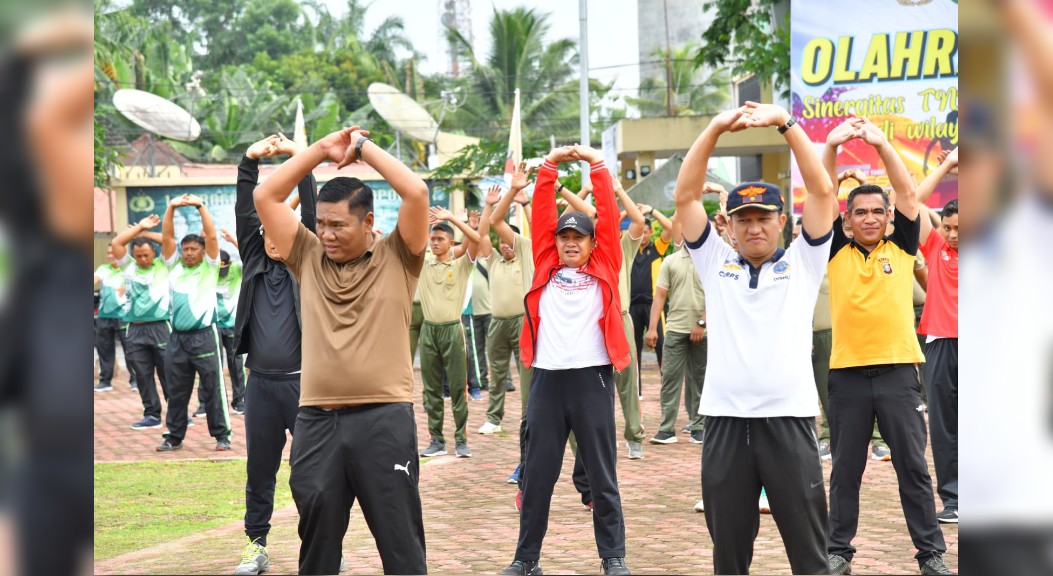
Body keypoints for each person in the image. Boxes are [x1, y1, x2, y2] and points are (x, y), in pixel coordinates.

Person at [254, 125, 429, 574]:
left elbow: (415, 191)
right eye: (321, 225)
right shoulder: (307, 256)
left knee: (400, 542)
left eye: (338, 225)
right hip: (316, 422)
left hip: (384, 419)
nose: (327, 234)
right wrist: (319, 151)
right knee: (316, 544)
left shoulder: (400, 256)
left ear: (368, 222)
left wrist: (364, 149)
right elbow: (267, 198)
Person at [674, 101, 835, 575]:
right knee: (729, 554)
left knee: (809, 553)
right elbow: (685, 198)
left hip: (788, 420)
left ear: (782, 220)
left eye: (763, 217)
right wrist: (714, 127)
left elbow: (823, 191)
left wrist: (786, 124)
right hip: (724, 422)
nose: (754, 227)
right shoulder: (716, 262)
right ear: (730, 225)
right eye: (743, 219)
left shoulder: (803, 263)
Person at [821, 117, 952, 576]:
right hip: (848, 376)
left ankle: (931, 554)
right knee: (846, 471)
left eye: (878, 211)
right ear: (848, 219)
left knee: (914, 469)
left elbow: (908, 192)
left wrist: (879, 143)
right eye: (861, 212)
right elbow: (820, 198)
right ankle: (838, 551)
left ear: (889, 217)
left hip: (899, 374)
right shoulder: (834, 249)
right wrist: (831, 149)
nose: (871, 218)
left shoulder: (901, 246)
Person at [500, 145, 631, 576]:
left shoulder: (606, 263)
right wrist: (550, 165)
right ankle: (525, 559)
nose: (570, 243)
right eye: (564, 237)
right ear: (555, 242)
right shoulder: (545, 264)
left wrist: (596, 165)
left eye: (579, 237)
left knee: (601, 475)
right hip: (547, 383)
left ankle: (613, 558)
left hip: (591, 381)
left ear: (593, 243)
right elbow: (540, 213)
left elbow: (609, 216)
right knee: (537, 476)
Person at [230, 134, 318, 575]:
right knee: (259, 470)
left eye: (280, 228)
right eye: (265, 229)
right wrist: (250, 160)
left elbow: (312, 206)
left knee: (309, 474)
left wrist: (300, 160)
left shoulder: (307, 262)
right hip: (261, 385)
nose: (270, 236)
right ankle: (255, 545)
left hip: (305, 386)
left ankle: (316, 547)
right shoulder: (253, 262)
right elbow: (246, 210)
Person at [154, 194, 233, 452]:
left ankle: (222, 436)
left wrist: (200, 206)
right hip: (177, 338)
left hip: (204, 336)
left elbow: (211, 237)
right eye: (185, 249)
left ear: (203, 252)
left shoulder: (210, 266)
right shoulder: (174, 266)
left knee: (212, 388)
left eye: (193, 249)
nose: (188, 253)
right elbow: (167, 238)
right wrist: (171, 207)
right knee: (176, 390)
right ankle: (174, 436)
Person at [915, 148, 959, 524]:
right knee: (943, 427)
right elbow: (911, 201)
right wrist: (946, 165)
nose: (955, 235)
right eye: (948, 228)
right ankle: (954, 499)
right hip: (940, 343)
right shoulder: (935, 246)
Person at [417, 207, 481, 457]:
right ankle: (437, 440)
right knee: (431, 390)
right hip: (429, 331)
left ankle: (461, 439)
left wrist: (455, 219)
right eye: (432, 238)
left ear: (451, 242)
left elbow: (474, 240)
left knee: (457, 388)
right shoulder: (424, 262)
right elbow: (412, 239)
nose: (434, 242)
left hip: (453, 331)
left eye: (440, 238)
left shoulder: (462, 265)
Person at [477, 180, 534, 435]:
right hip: (497, 322)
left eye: (509, 242)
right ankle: (493, 417)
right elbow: (481, 236)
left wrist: (524, 204)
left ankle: (529, 414)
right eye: (501, 242)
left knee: (526, 373)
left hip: (523, 321)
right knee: (497, 372)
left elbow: (536, 230)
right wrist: (488, 206)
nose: (505, 246)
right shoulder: (494, 262)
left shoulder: (526, 257)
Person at [644, 218, 706, 445]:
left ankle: (699, 426)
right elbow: (659, 296)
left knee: (699, 379)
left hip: (703, 332)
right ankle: (666, 429)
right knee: (669, 378)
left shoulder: (709, 262)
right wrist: (652, 329)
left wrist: (702, 323)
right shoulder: (670, 261)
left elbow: (719, 296)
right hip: (675, 329)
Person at [111, 214, 172, 430]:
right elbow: (117, 243)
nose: (143, 259)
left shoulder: (163, 265)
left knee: (168, 373)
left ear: (153, 253)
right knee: (143, 375)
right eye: (138, 256)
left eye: (146, 255)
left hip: (161, 327)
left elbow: (168, 241)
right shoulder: (128, 267)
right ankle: (152, 414)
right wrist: (138, 229)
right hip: (135, 329)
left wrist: (145, 232)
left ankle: (176, 414)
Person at [629, 204, 673, 378]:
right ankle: (636, 390)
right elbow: (614, 223)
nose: (643, 235)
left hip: (653, 305)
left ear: (651, 233)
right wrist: (630, 211)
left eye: (646, 231)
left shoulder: (657, 249)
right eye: (640, 231)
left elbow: (670, 227)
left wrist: (652, 210)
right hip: (632, 306)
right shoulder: (628, 249)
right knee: (634, 349)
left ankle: (667, 386)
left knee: (662, 346)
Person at [94, 245, 136, 392]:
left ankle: (135, 380)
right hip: (105, 316)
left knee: (130, 349)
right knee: (104, 349)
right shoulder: (103, 269)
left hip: (124, 316)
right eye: (108, 252)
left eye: (113, 252)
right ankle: (105, 381)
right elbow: (94, 279)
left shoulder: (129, 269)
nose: (110, 255)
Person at [216, 237, 246, 414]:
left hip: (233, 324)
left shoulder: (236, 270)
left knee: (236, 363)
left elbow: (249, 254)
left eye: (223, 266)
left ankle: (239, 400)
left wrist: (234, 241)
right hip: (213, 324)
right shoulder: (209, 271)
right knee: (213, 365)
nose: (221, 271)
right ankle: (206, 403)